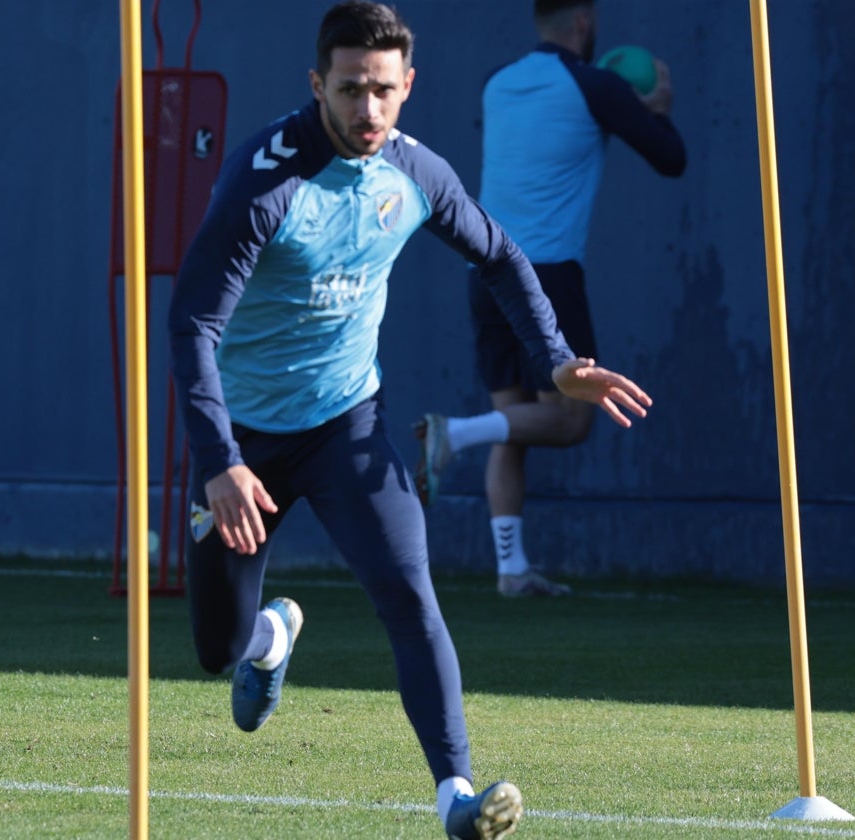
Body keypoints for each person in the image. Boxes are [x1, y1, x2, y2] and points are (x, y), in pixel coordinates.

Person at [168, 3, 652, 837]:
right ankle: (269, 640)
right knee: (217, 648)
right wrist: (218, 457)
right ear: (317, 84)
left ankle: (456, 798)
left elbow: (499, 253)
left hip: (346, 428)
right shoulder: (266, 181)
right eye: (350, 89)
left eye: (383, 91)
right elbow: (192, 324)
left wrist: (557, 360)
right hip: (240, 442)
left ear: (408, 89)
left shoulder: (416, 172)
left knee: (410, 598)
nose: (367, 110)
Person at [414, 0, 686, 598]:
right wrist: (657, 111)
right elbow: (671, 158)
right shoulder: (597, 86)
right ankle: (452, 434)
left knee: (512, 423)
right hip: (547, 277)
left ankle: (511, 571)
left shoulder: (497, 84)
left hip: (483, 272)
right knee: (569, 421)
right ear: (583, 20)